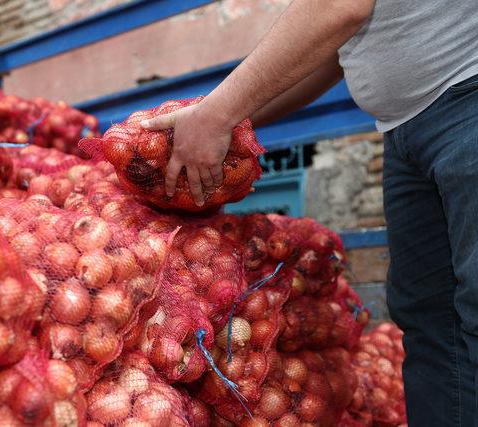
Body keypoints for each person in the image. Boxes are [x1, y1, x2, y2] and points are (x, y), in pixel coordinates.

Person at [140, 0, 478, 425]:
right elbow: (335, 49)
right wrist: (222, 118)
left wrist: (218, 114)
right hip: (406, 128)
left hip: (468, 103)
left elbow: (339, 7)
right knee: (433, 325)